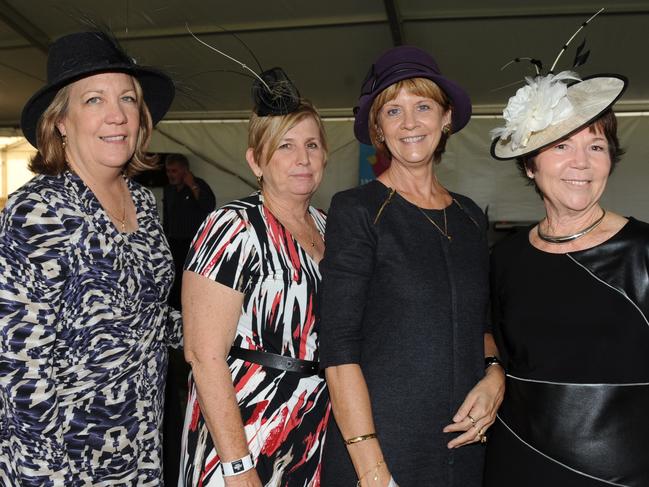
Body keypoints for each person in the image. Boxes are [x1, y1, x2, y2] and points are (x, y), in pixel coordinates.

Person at [318, 45, 505, 487]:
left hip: (464, 447)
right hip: (385, 447)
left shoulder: (470, 215)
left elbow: (481, 321)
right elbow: (339, 345)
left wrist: (495, 375)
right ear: (379, 129)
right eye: (393, 111)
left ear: (446, 118)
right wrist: (371, 469)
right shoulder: (358, 210)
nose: (409, 123)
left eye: (422, 106)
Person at [0, 31, 180, 484]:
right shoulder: (38, 211)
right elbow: (21, 370)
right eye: (94, 100)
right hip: (65, 461)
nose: (117, 115)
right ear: (61, 121)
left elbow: (146, 318)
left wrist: (227, 326)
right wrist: (46, 476)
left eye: (127, 99)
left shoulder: (143, 202)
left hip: (141, 450)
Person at [485, 42, 649, 485]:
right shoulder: (504, 258)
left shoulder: (644, 250)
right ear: (530, 164)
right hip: (515, 462)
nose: (581, 163)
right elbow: (490, 340)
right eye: (561, 146)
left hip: (622, 472)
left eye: (596, 147)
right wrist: (492, 369)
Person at [178, 68, 330, 486]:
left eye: (312, 144)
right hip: (243, 429)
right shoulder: (232, 226)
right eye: (285, 146)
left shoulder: (329, 227)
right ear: (256, 161)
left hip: (310, 431)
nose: (303, 158)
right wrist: (236, 465)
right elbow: (203, 354)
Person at [163, 152, 216, 310]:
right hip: (173, 243)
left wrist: (192, 185)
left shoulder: (198, 185)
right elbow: (167, 216)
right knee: (173, 281)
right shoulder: (169, 190)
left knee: (189, 282)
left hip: (192, 244)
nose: (170, 175)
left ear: (185, 171)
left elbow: (209, 206)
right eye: (168, 171)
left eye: (174, 171)